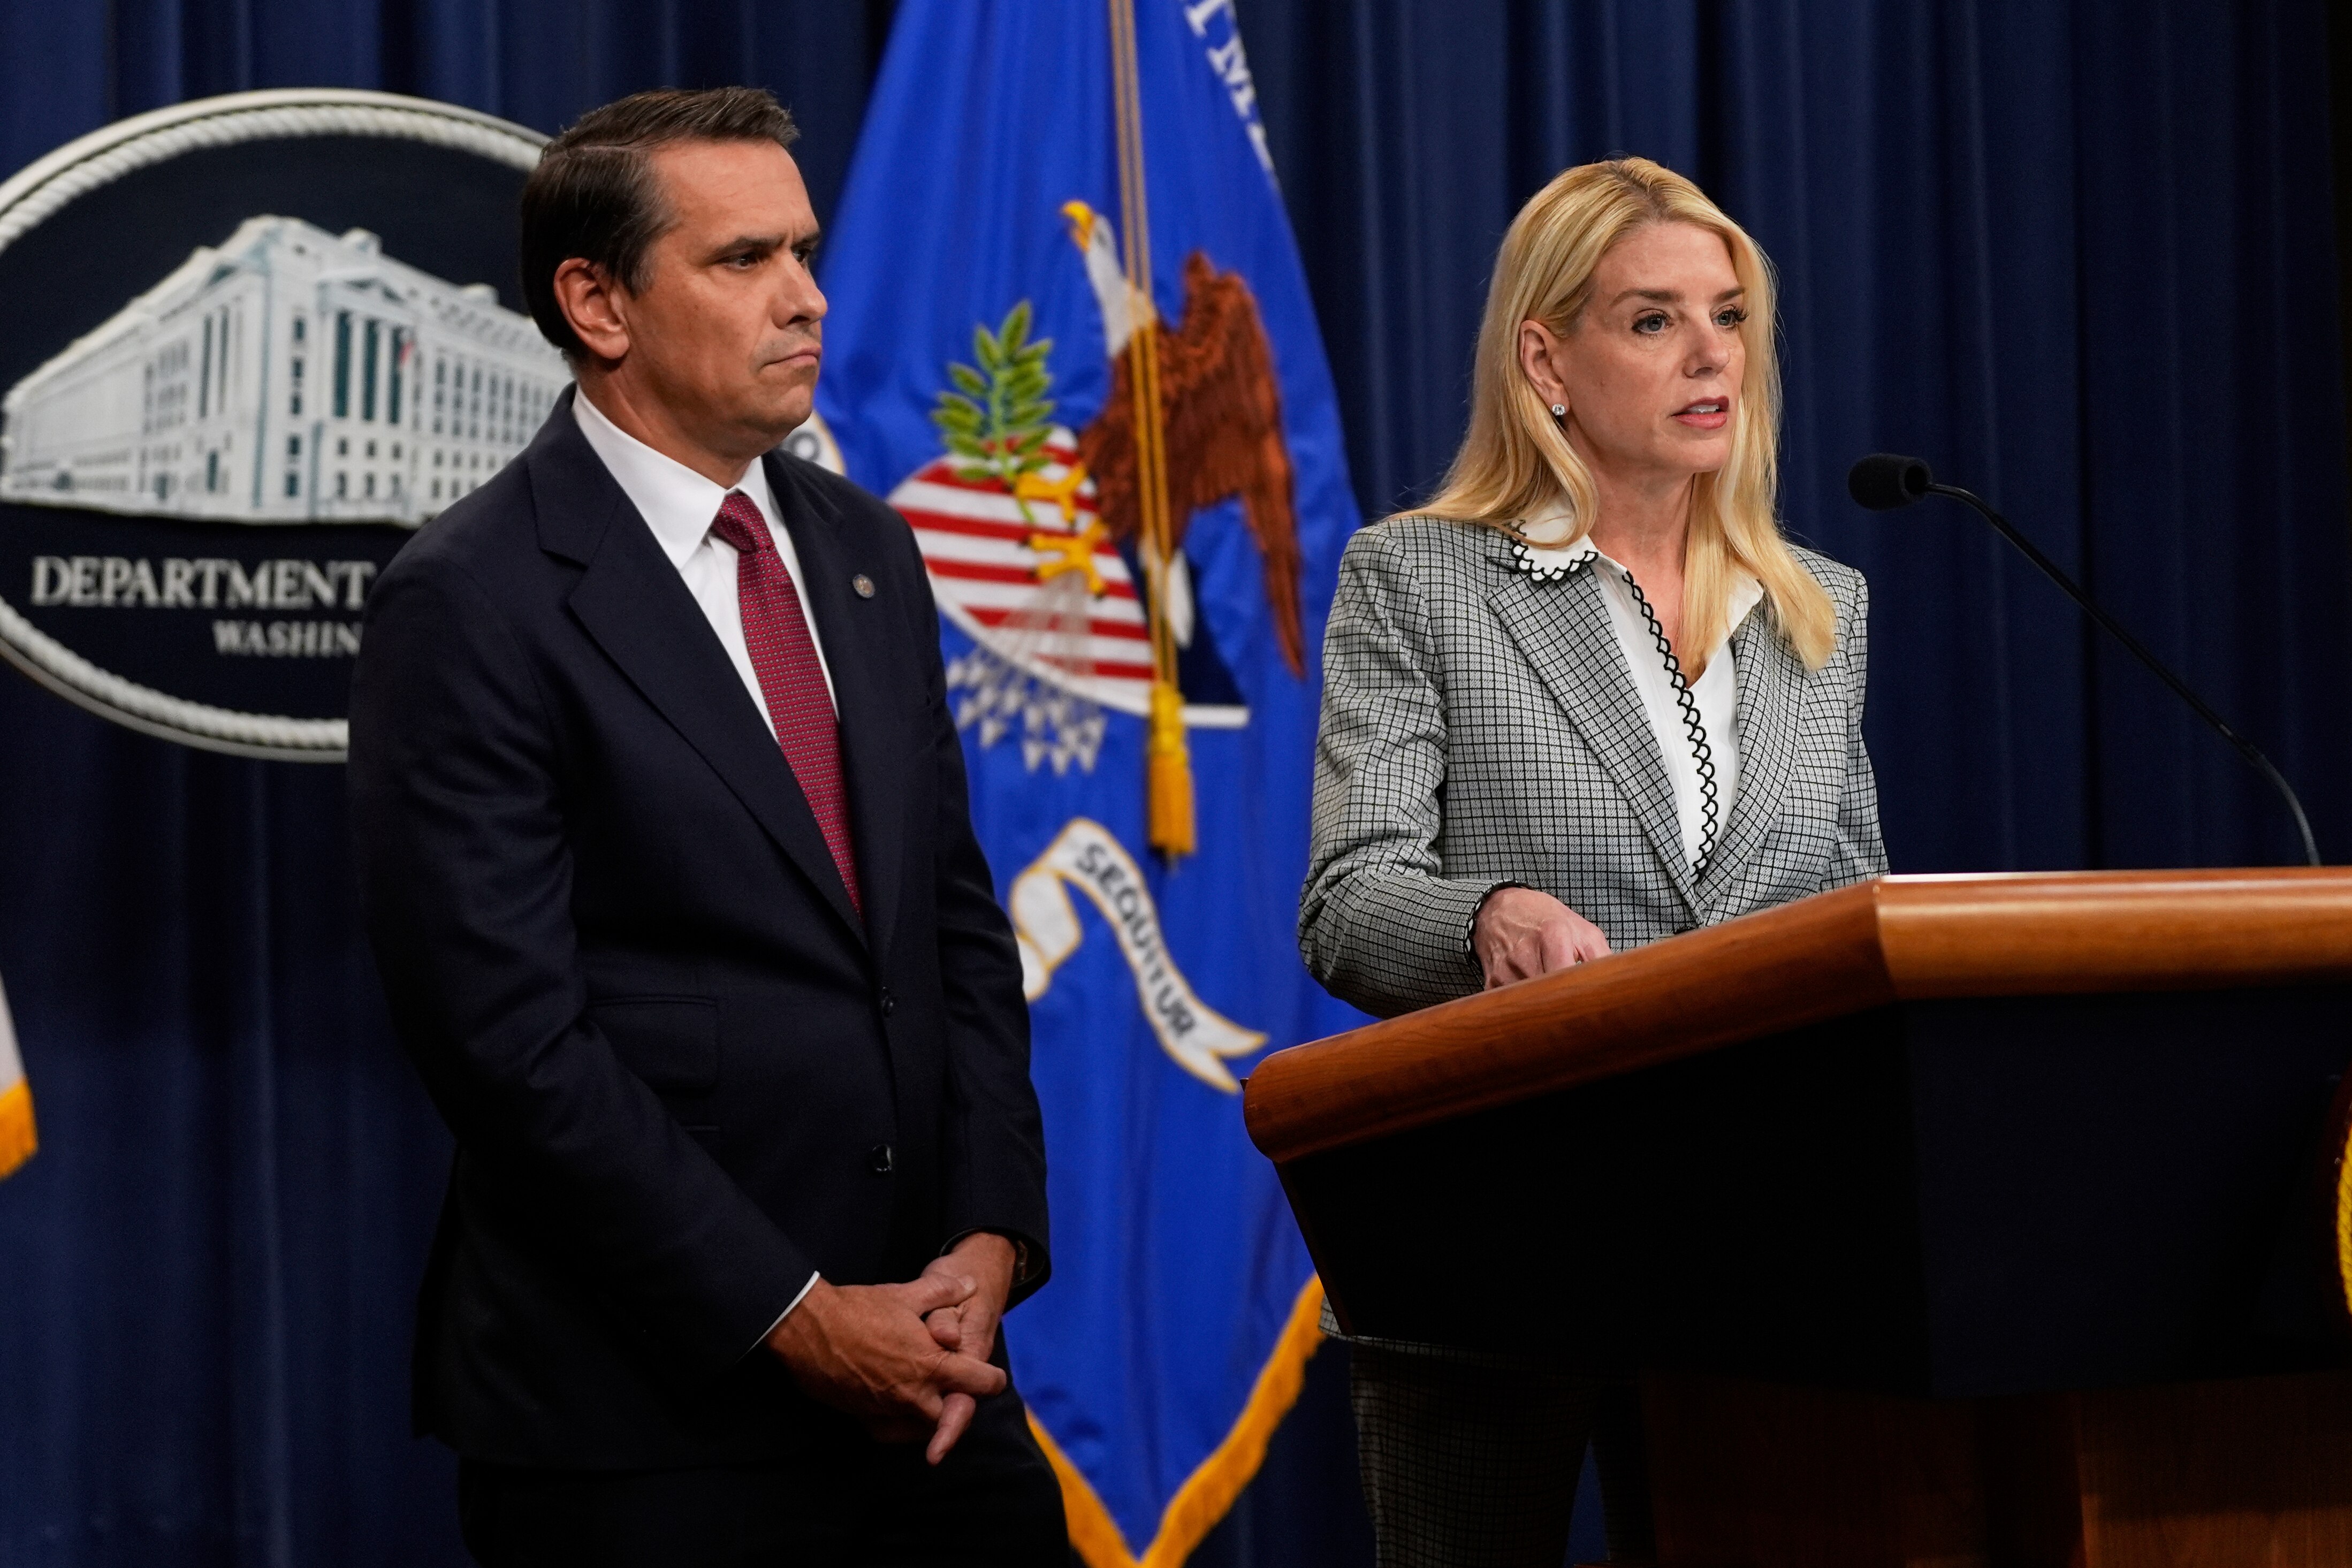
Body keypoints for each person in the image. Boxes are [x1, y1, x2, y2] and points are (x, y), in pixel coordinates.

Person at [348, 87, 1064, 1566]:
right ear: (596, 302)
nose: (806, 296)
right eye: (744, 260)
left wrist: (988, 1241)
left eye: (803, 251)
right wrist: (795, 1316)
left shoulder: (868, 548)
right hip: (649, 1419)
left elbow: (948, 928)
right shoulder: (471, 598)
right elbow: (509, 1043)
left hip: (935, 1384)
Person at [1297, 157, 1888, 1565]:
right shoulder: (1419, 578)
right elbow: (1346, 897)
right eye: (1652, 320)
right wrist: (1484, 914)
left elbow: (1854, 907)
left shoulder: (1819, 609)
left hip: (1767, 1259)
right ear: (1543, 358)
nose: (1709, 355)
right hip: (1500, 1238)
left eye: (1729, 315)